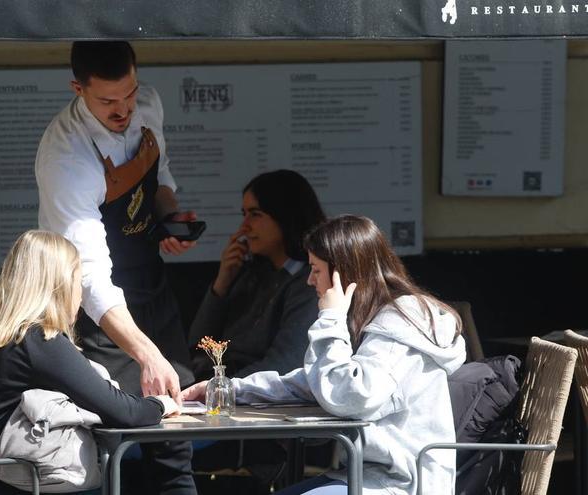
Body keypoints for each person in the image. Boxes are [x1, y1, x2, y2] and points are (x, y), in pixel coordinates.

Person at [183, 215, 466, 495]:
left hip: (398, 483)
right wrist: (230, 389)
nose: (309, 281)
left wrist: (330, 318)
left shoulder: (402, 319)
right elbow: (311, 381)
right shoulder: (370, 319)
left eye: (316, 270)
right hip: (359, 474)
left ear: (343, 274)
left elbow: (350, 396)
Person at [35, 41, 197, 494]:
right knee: (108, 438)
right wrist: (146, 354)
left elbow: (159, 178)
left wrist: (169, 217)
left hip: (150, 279)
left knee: (176, 438)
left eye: (128, 94)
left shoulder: (148, 103)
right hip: (92, 306)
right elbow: (90, 278)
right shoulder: (66, 157)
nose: (123, 109)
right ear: (77, 89)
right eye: (108, 101)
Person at [0, 230, 178, 495]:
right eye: (78, 282)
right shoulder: (38, 339)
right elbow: (120, 411)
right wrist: (164, 403)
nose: (81, 297)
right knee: (91, 477)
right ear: (60, 284)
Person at [189, 169, 325, 380]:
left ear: (285, 215)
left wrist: (222, 388)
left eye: (255, 214)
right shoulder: (251, 274)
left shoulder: (311, 282)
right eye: (244, 214)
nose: (244, 227)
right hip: (217, 383)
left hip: (249, 395)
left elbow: (284, 364)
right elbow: (198, 344)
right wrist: (222, 282)